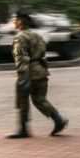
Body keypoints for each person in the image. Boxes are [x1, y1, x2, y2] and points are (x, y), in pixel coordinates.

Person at [6, 11, 68, 139]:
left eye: (15, 20)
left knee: (22, 100)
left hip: (29, 72)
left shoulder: (20, 37)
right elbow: (43, 53)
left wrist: (23, 77)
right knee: (40, 99)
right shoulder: (36, 35)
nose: (14, 22)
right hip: (41, 71)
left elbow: (21, 58)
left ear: (20, 21)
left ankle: (23, 129)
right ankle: (59, 120)